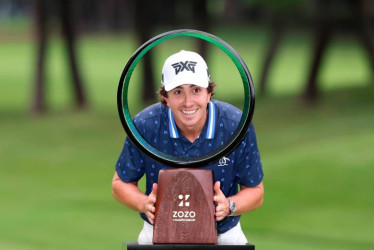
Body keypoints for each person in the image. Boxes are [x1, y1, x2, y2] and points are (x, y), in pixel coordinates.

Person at [112, 50, 264, 245]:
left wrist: (229, 205)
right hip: (157, 234)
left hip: (225, 236)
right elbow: (120, 184)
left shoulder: (235, 125)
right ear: (165, 97)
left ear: (209, 93)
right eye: (178, 92)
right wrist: (144, 204)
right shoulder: (146, 124)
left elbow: (256, 191)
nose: (188, 102)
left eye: (196, 90)